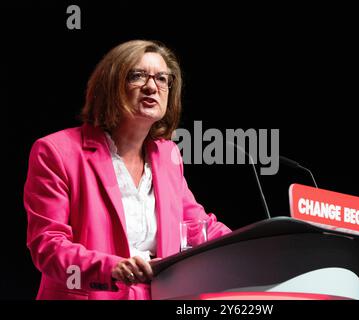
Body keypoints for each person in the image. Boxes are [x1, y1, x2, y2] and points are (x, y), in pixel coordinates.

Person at [23, 40, 231, 300]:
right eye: (137, 75)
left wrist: (256, 244)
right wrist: (111, 268)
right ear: (110, 86)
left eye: (162, 79)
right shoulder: (56, 151)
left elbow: (198, 226)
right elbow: (49, 246)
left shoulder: (167, 155)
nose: (152, 86)